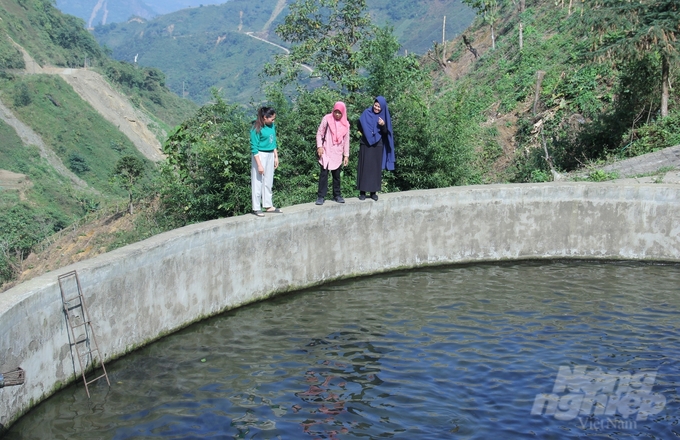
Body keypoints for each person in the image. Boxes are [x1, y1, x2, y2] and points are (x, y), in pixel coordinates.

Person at [356, 96, 394, 201]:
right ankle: (362, 192)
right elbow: (359, 123)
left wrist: (382, 125)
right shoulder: (366, 113)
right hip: (365, 144)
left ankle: (373, 192)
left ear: (382, 108)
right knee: (364, 167)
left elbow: (386, 132)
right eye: (375, 105)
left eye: (379, 107)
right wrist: (364, 132)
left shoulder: (384, 117)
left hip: (378, 144)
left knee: (375, 169)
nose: (376, 108)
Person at [315, 101, 350, 205]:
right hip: (326, 150)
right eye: (336, 112)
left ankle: (337, 195)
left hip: (337, 152)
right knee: (324, 174)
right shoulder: (327, 119)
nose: (337, 115)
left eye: (340, 113)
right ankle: (321, 196)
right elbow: (319, 133)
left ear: (343, 113)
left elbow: (346, 140)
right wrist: (319, 146)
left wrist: (346, 155)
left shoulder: (346, 124)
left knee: (336, 176)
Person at [250, 106, 281, 216]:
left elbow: (273, 142)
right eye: (272, 119)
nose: (273, 121)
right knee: (258, 181)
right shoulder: (256, 128)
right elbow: (254, 147)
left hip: (270, 154)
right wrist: (259, 165)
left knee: (268, 180)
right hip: (260, 155)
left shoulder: (271, 125)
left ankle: (268, 205)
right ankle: (256, 207)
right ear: (264, 117)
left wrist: (276, 156)